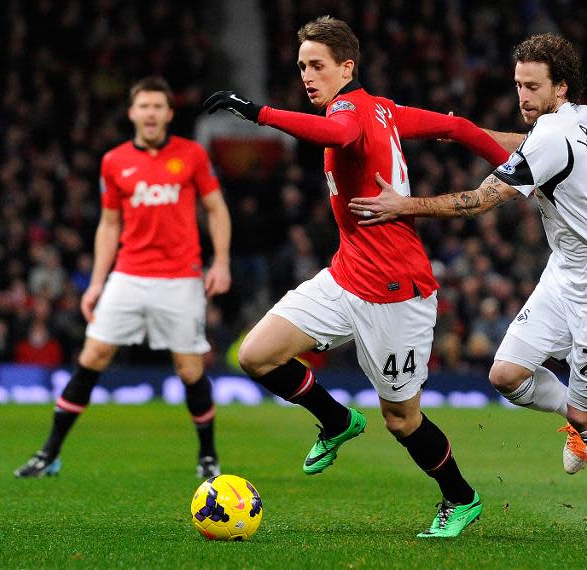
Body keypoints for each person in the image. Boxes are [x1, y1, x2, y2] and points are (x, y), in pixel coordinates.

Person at [203, 16, 509, 538]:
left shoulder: (349, 110)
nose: (307, 74)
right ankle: (337, 420)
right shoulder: (382, 109)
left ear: (347, 67)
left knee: (402, 420)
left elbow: (340, 130)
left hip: (396, 293)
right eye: (301, 66)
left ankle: (461, 497)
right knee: (256, 354)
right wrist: (514, 165)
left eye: (317, 65)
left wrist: (259, 113)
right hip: (346, 277)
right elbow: (458, 128)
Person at [349, 33, 587, 539]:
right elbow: (522, 144)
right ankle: (582, 423)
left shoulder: (555, 136)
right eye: (517, 85)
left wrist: (403, 206)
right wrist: (462, 133)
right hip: (565, 272)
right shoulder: (579, 117)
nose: (522, 97)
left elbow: (478, 200)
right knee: (507, 375)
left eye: (532, 87)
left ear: (560, 88)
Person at [15, 77, 232, 479]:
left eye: (157, 106)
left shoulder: (192, 156)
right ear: (132, 113)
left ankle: (207, 456)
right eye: (143, 106)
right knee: (92, 357)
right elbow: (109, 224)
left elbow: (216, 209)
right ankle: (48, 453)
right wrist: (97, 282)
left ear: (169, 113)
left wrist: (220, 262)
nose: (150, 113)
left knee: (188, 368)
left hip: (181, 278)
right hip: (128, 275)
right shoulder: (113, 161)